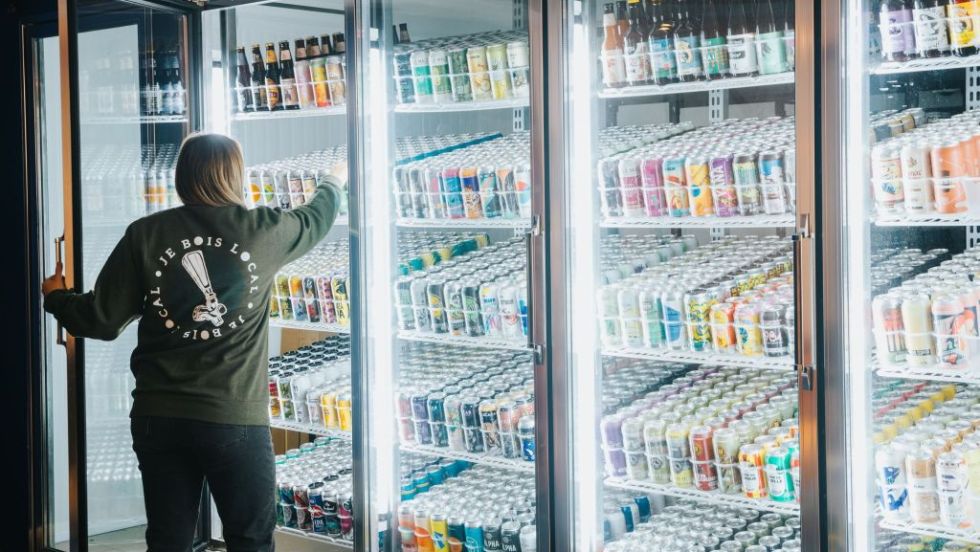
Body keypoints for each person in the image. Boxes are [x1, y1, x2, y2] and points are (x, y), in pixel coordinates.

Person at [41, 133, 344, 551]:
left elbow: (102, 320)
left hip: (159, 415)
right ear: (235, 175)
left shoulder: (145, 234)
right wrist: (333, 181)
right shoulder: (262, 230)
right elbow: (316, 218)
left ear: (182, 175)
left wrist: (57, 296)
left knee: (168, 541)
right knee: (251, 540)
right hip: (233, 417)